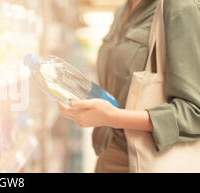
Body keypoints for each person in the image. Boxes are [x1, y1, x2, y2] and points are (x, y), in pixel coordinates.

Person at [57, 0, 200, 172]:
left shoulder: (180, 6)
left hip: (147, 161)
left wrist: (113, 117)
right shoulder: (123, 9)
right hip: (108, 153)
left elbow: (194, 113)